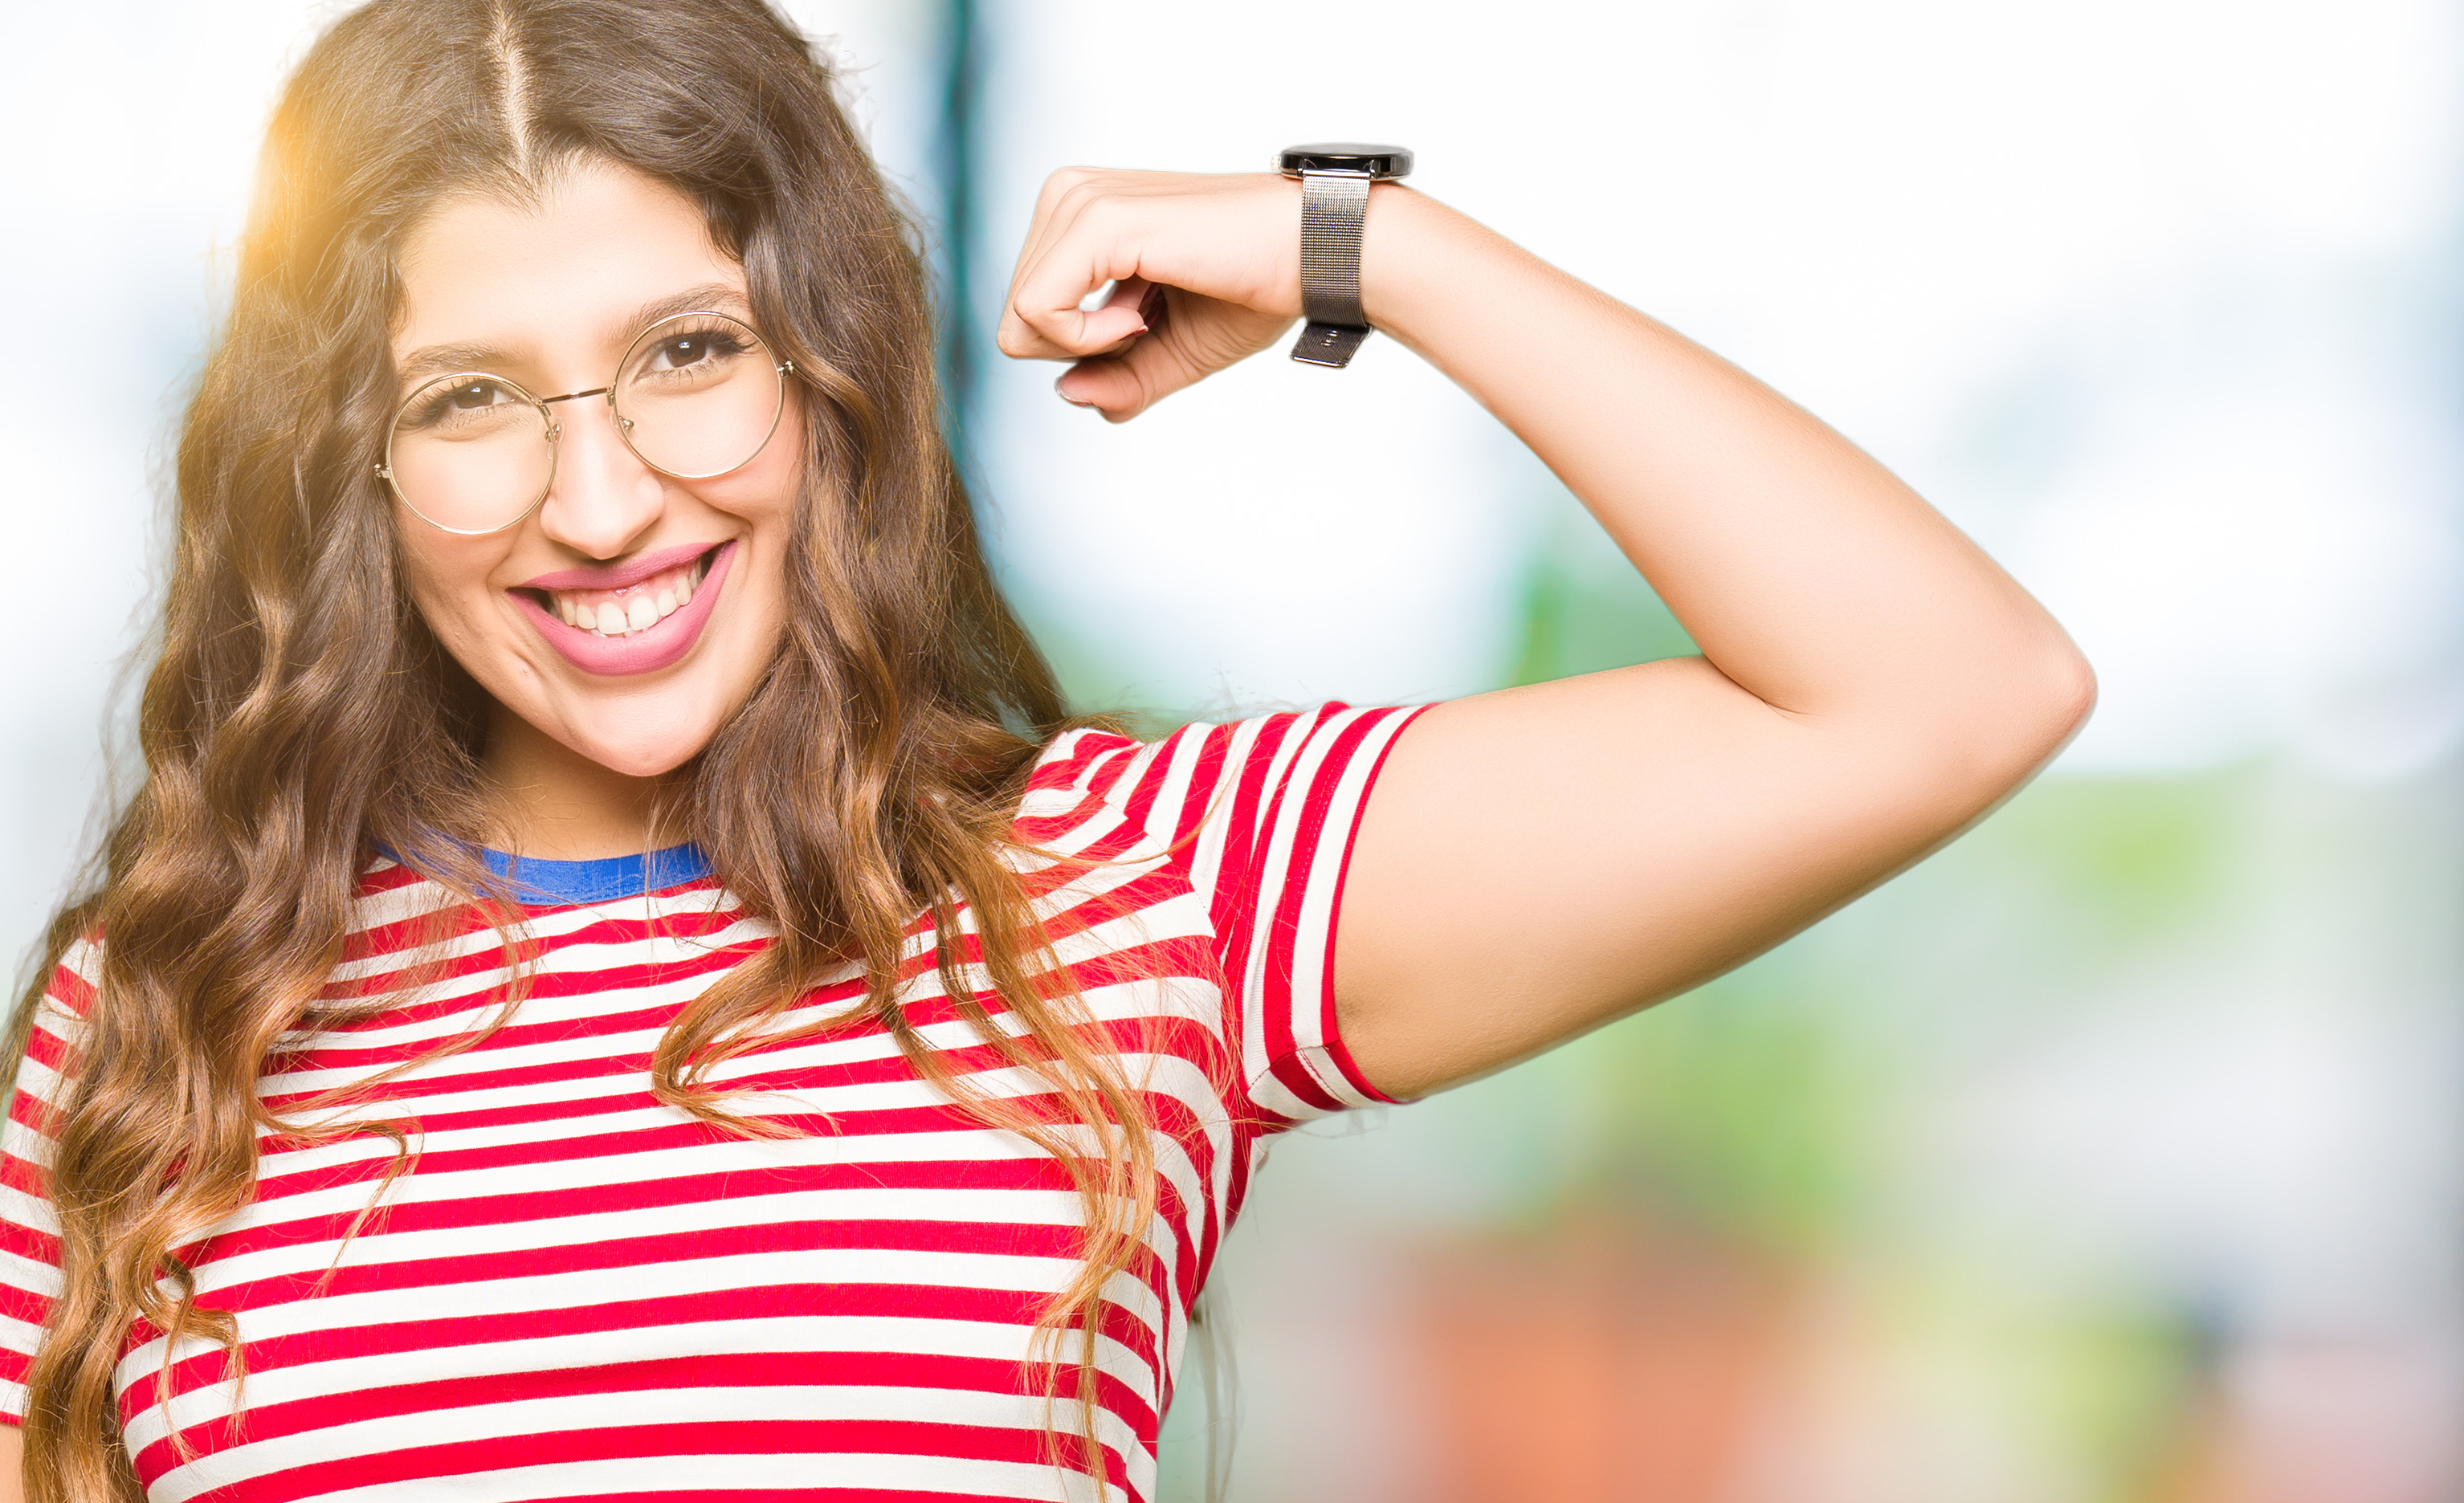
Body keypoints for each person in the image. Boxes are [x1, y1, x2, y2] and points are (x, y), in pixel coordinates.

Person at [0, 0, 2094, 1499]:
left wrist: (1363, 244)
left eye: (689, 353)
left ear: (829, 371)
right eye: (470, 398)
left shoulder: (1134, 888)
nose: (608, 501)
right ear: (350, 468)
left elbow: (1940, 690)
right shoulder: (155, 1029)